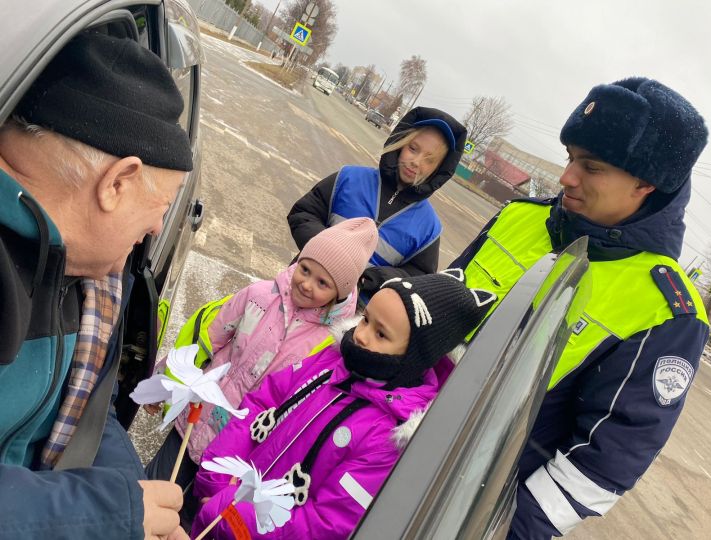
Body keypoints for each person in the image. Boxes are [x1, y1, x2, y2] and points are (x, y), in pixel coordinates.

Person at [450, 77, 709, 539]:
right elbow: (436, 304)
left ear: (647, 184)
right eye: (570, 157)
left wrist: (492, 529)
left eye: (591, 166)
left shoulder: (668, 312)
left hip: (458, 508)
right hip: (378, 443)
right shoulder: (518, 217)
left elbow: (600, 465)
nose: (567, 176)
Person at [0, 33, 194, 539]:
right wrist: (106, 514)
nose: (157, 229)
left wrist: (136, 502)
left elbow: (88, 407)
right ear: (117, 183)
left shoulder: (95, 278)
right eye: (163, 204)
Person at [190, 271, 496, 539]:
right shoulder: (332, 360)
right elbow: (261, 403)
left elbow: (326, 523)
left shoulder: (388, 435)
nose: (360, 335)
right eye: (366, 319)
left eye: (380, 333)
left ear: (415, 357)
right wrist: (218, 479)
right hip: (219, 504)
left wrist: (231, 515)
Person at [145, 218, 378, 526]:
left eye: (323, 283)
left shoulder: (326, 344)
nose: (307, 284)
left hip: (238, 448)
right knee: (153, 491)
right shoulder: (258, 295)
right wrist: (165, 382)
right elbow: (205, 339)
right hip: (195, 417)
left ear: (339, 293)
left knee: (196, 518)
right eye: (306, 270)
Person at [287, 106, 467, 303]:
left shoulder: (429, 228)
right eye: (413, 148)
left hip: (352, 315)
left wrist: (375, 278)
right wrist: (328, 257)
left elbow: (418, 276)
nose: (416, 162)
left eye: (429, 159)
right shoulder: (348, 178)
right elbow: (303, 213)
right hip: (299, 289)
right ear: (400, 143)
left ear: (439, 169)